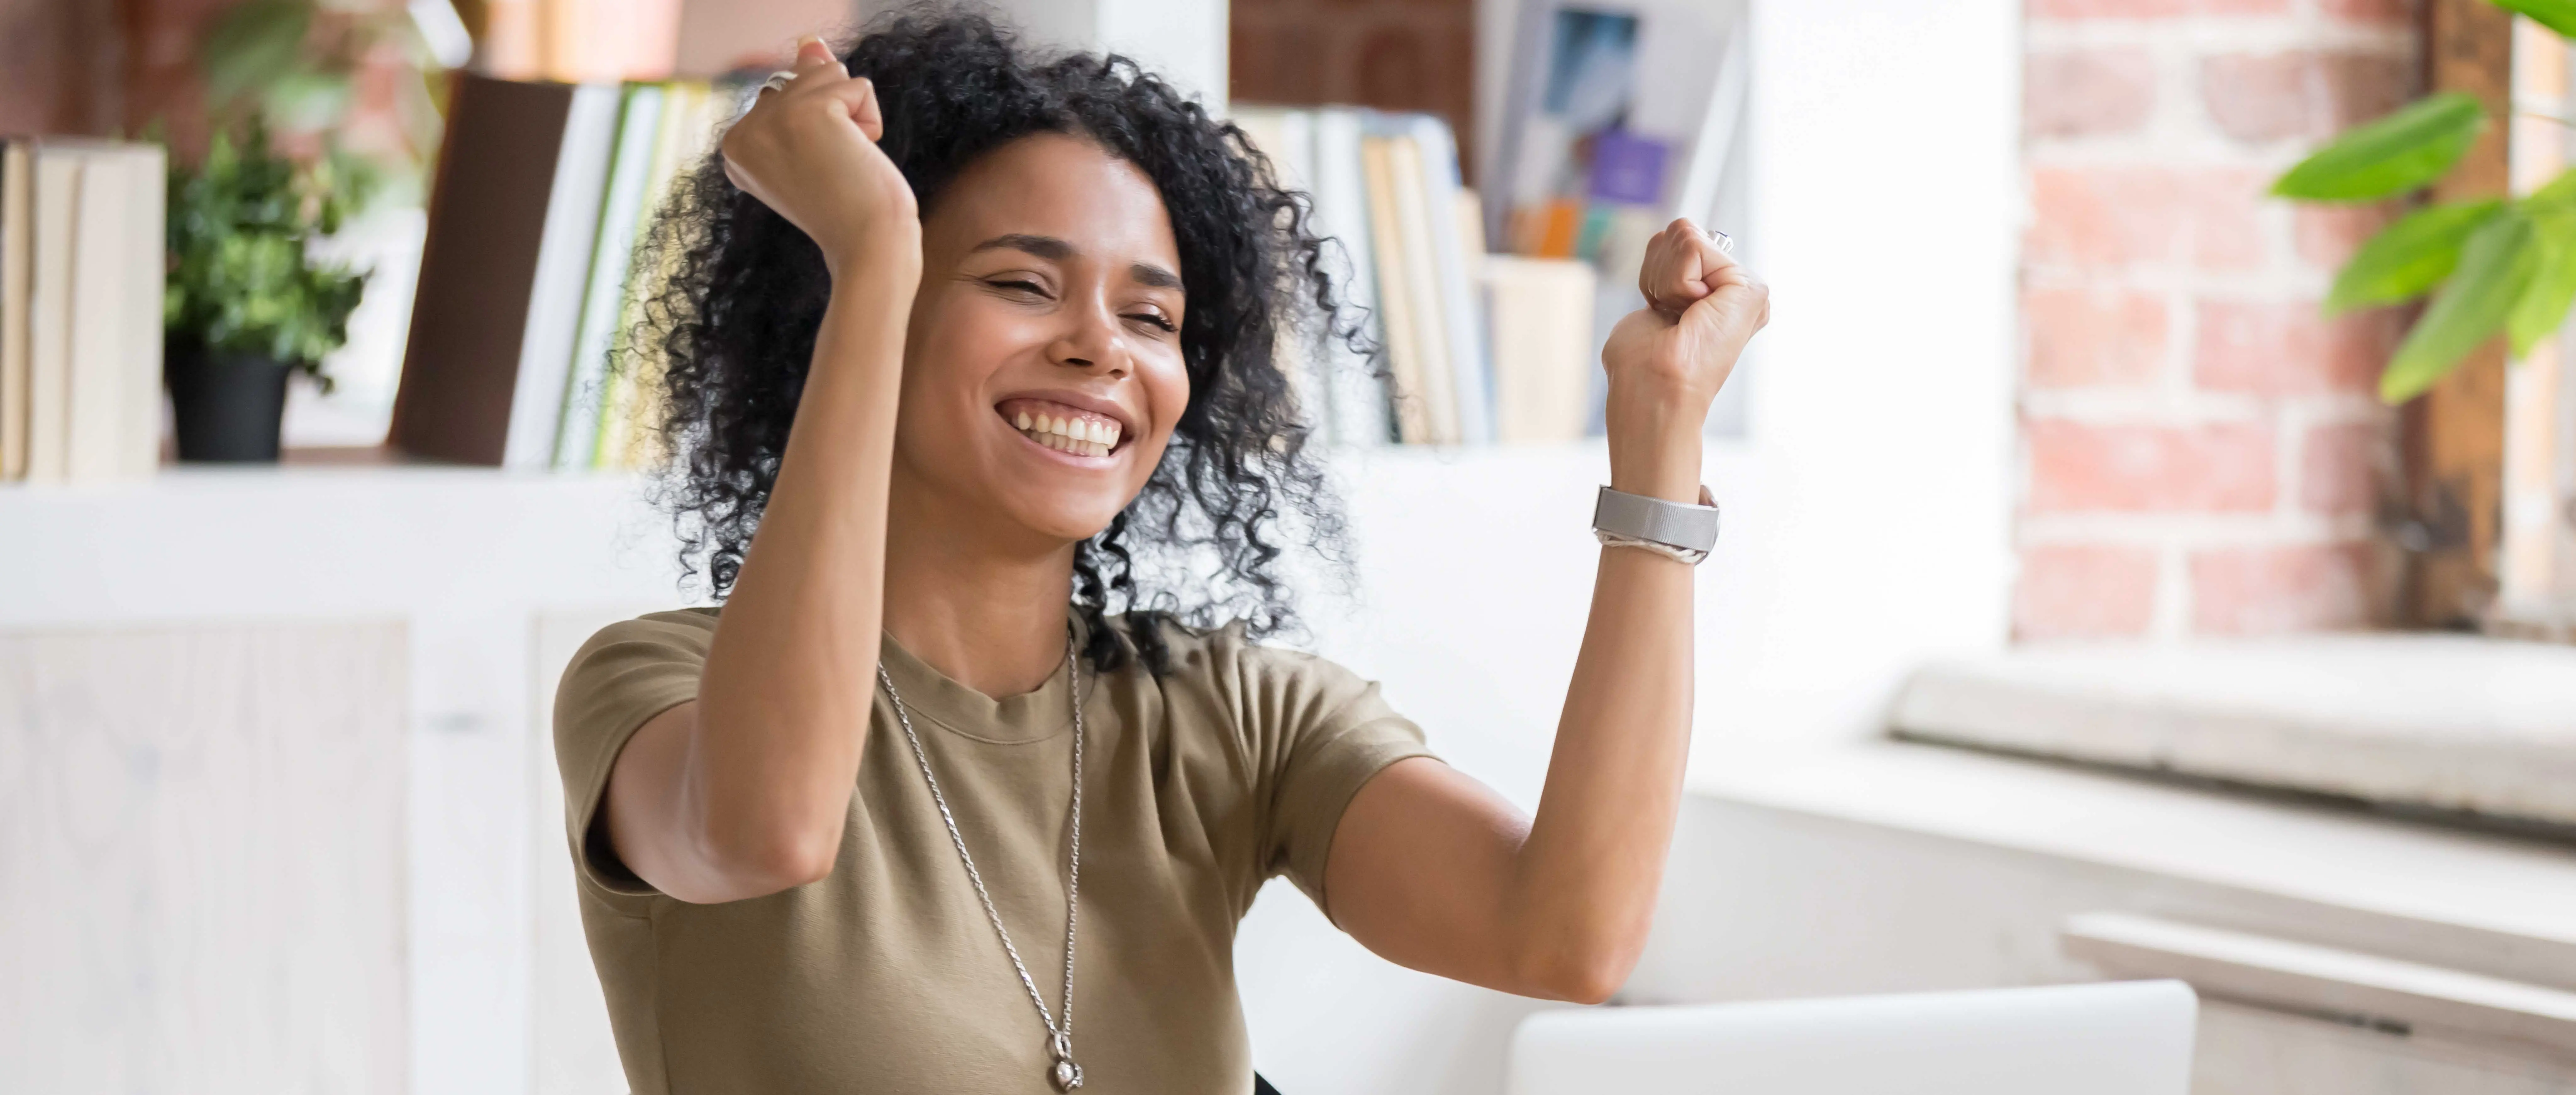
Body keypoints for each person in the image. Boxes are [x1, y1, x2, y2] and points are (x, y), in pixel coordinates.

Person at [552, 9, 1768, 1094]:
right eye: (1023, 284)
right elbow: (768, 830)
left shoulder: (1224, 714)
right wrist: (870, 248)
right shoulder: (658, 691)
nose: (1102, 347)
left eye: (1151, 315)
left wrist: (1658, 434)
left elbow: (1566, 936)